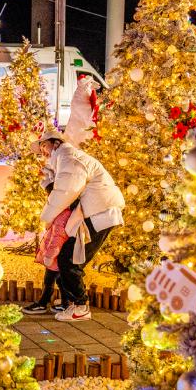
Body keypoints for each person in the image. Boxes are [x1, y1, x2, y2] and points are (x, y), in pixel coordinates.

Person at [30, 127, 124, 321]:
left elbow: (66, 191)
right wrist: (47, 178)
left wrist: (46, 218)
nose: (43, 152)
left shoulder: (69, 158)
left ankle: (80, 306)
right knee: (69, 258)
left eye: (44, 146)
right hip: (96, 211)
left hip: (100, 212)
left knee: (70, 260)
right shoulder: (64, 159)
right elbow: (61, 188)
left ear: (55, 143)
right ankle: (73, 303)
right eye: (41, 150)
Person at [23, 174, 73, 315]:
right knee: (60, 280)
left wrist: (49, 256)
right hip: (56, 256)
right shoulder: (59, 212)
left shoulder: (62, 216)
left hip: (55, 256)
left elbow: (58, 238)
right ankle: (65, 304)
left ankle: (42, 304)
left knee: (50, 280)